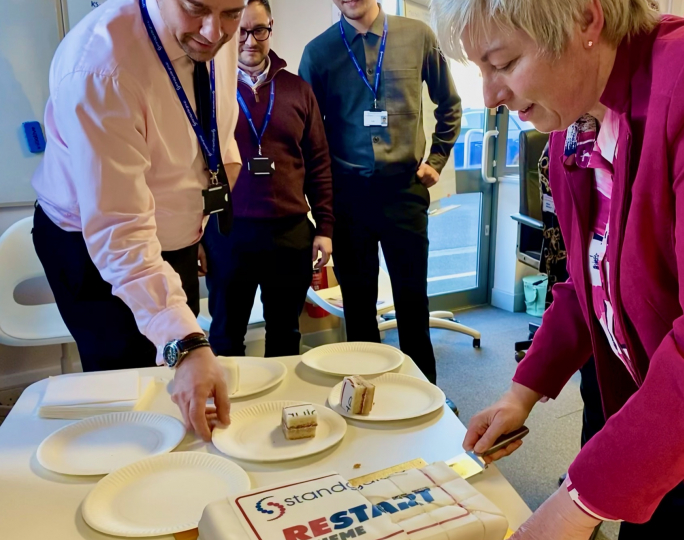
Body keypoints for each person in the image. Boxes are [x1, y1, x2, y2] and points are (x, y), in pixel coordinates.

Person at [431, 0, 684, 538]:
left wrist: (574, 504)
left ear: (586, 21)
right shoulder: (573, 117)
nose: (489, 96)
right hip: (669, 409)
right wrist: (521, 391)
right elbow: (589, 277)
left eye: (502, 64)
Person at [30, 0, 247, 441]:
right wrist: (185, 345)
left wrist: (200, 220)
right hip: (90, 245)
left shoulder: (215, 31)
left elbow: (216, 129)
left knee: (178, 373)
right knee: (127, 387)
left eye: (231, 12)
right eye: (196, 8)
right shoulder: (100, 67)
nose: (213, 32)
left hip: (176, 231)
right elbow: (120, 232)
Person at [298, 0, 462, 384]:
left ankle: (425, 397)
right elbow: (309, 135)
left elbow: (450, 104)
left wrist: (436, 160)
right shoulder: (319, 53)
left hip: (404, 190)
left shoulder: (418, 36)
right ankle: (365, 399)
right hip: (348, 197)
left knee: (411, 303)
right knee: (358, 309)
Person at [202, 0, 334, 358]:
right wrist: (195, 233)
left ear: (270, 28)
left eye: (259, 30)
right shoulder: (207, 89)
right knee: (226, 336)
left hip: (289, 234)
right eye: (241, 30)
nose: (249, 41)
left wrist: (324, 228)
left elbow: (319, 162)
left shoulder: (297, 90)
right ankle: (230, 413)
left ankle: (283, 412)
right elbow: (193, 165)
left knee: (285, 334)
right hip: (228, 232)